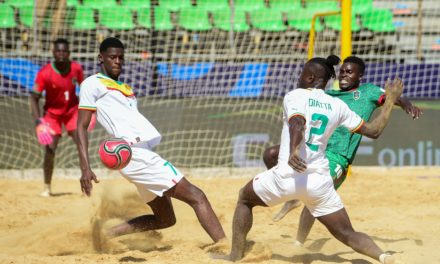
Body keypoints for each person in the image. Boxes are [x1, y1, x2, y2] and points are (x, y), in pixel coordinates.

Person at [228, 55, 403, 263]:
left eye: (302, 73)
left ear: (310, 77)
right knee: (347, 233)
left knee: (245, 198)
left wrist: (293, 150)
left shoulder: (295, 96)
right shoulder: (337, 105)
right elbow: (373, 131)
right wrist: (390, 101)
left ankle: (233, 257)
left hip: (287, 176)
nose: (299, 77)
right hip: (318, 182)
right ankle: (382, 256)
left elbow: (298, 124)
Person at [76, 37, 226, 249]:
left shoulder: (124, 87)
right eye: (112, 57)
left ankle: (105, 235)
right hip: (133, 153)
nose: (117, 61)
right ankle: (226, 246)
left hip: (138, 154)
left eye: (121, 57)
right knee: (197, 196)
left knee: (166, 219)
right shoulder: (92, 83)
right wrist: (85, 168)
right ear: (101, 58)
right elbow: (80, 126)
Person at [265, 56, 423, 246]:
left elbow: (392, 97)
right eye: (342, 72)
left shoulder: (368, 91)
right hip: (318, 152)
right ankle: (292, 196)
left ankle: (298, 243)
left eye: (349, 72)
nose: (344, 75)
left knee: (314, 198)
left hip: (339, 157)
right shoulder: (330, 96)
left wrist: (408, 105)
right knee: (271, 154)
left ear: (360, 76)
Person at [30, 38, 85, 197]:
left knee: (82, 144)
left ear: (69, 53)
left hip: (72, 112)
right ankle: (47, 187)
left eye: (64, 51)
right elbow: (34, 97)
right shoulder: (44, 72)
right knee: (50, 149)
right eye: (58, 51)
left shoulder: (76, 69)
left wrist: (90, 112)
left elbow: (86, 89)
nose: (61, 54)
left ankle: (86, 185)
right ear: (53, 53)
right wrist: (38, 122)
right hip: (52, 115)